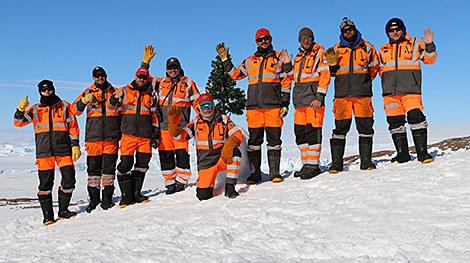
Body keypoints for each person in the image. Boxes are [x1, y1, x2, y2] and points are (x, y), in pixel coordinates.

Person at [216, 28, 292, 183]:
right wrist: (225, 60)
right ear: (256, 42)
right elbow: (235, 75)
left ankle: (274, 173)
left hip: (273, 107)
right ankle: (255, 174)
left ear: (271, 39)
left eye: (266, 38)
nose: (264, 41)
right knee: (254, 144)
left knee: (274, 142)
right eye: (260, 39)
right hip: (254, 108)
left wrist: (285, 102)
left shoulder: (279, 58)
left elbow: (286, 82)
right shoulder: (249, 61)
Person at [14, 80, 81, 225]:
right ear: (40, 92)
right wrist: (20, 109)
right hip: (44, 153)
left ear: (53, 89)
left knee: (69, 181)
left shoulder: (64, 106)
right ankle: (48, 216)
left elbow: (73, 127)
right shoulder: (35, 109)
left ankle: (63, 211)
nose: (47, 92)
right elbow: (18, 122)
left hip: (64, 151)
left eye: (49, 89)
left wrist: (75, 145)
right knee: (45, 185)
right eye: (44, 90)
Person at [140, 45, 200, 194]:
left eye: (175, 67)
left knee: (182, 154)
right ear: (166, 70)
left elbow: (197, 102)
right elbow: (142, 79)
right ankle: (170, 182)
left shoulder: (188, 83)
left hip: (180, 127)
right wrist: (145, 62)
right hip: (163, 127)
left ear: (180, 68)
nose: (172, 70)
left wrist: (201, 119)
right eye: (170, 68)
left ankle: (181, 180)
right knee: (165, 155)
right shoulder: (160, 83)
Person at [378, 18, 437, 164]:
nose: (395, 32)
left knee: (416, 118)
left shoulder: (415, 44)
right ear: (387, 33)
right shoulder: (383, 49)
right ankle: (402, 154)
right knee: (395, 123)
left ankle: (423, 154)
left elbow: (430, 59)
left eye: (398, 29)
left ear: (403, 29)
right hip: (390, 94)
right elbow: (375, 70)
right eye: (391, 30)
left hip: (411, 91)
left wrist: (429, 45)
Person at [324, 17, 379, 173]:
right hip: (342, 97)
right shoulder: (334, 49)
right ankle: (336, 164)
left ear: (355, 29)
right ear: (342, 32)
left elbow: (374, 70)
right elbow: (330, 73)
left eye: (350, 29)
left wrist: (363, 82)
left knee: (366, 128)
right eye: (345, 30)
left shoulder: (368, 47)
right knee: (340, 129)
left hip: (363, 95)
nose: (348, 32)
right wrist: (332, 67)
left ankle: (366, 162)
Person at [168, 93, 243, 200]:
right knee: (203, 196)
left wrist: (230, 143)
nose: (207, 109)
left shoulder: (223, 119)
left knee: (235, 153)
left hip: (222, 158)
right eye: (204, 106)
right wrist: (174, 126)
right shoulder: (195, 123)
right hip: (206, 164)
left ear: (213, 105)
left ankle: (230, 187)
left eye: (209, 105)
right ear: (199, 107)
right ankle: (207, 185)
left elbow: (237, 134)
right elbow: (181, 138)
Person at [108, 67, 160, 208]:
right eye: (139, 77)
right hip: (128, 135)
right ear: (135, 76)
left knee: (142, 165)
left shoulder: (151, 95)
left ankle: (136, 194)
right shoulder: (125, 90)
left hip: (145, 136)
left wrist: (155, 133)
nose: (141, 79)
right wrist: (113, 99)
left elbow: (154, 116)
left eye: (144, 77)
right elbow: (111, 105)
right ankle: (126, 196)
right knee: (125, 165)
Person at [71, 66, 120, 212]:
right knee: (93, 171)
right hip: (93, 138)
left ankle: (107, 199)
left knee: (109, 170)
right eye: (97, 76)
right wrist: (84, 101)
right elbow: (74, 110)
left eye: (102, 75)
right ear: (93, 78)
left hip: (111, 137)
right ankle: (93, 200)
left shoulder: (115, 92)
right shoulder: (88, 91)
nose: (100, 78)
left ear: (106, 75)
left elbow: (124, 111)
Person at [286, 27, 330, 180]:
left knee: (312, 133)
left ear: (313, 39)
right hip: (299, 103)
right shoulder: (298, 57)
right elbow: (295, 78)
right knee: (300, 135)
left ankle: (313, 166)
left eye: (308, 38)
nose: (306, 41)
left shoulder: (319, 53)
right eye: (303, 38)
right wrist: (286, 65)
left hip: (313, 102)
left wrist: (319, 97)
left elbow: (325, 76)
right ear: (299, 40)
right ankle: (306, 165)